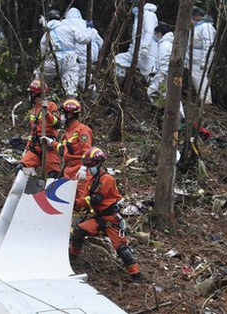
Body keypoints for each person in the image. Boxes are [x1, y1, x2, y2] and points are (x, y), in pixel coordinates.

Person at [69, 147, 142, 282]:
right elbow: (84, 196)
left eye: (90, 165)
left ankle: (136, 274)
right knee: (79, 231)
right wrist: (79, 184)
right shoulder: (91, 178)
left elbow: (96, 199)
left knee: (121, 249)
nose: (89, 168)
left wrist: (76, 204)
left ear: (98, 164)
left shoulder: (106, 179)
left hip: (111, 219)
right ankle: (72, 257)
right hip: (98, 218)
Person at [36, 9, 96, 96]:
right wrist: (90, 29)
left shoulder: (46, 35)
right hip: (70, 59)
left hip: (53, 59)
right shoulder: (68, 28)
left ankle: (35, 101)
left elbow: (43, 53)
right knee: (71, 89)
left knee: (39, 78)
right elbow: (84, 39)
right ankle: (71, 105)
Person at [16, 79, 61, 178]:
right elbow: (33, 132)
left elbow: (57, 124)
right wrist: (27, 148)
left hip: (48, 145)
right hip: (35, 146)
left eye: (31, 93)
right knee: (21, 167)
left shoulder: (51, 106)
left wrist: (47, 113)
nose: (29, 96)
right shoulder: (33, 111)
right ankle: (27, 191)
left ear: (36, 94)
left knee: (54, 175)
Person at [41, 97, 93, 180]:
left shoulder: (83, 130)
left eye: (63, 113)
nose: (61, 116)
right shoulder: (67, 132)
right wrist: (51, 142)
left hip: (79, 171)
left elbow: (87, 151)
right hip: (68, 171)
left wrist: (84, 168)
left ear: (70, 115)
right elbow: (63, 150)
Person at [147, 24, 185, 118]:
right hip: (167, 73)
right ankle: (163, 111)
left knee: (169, 95)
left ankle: (178, 116)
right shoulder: (169, 43)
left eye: (156, 34)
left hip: (166, 74)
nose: (155, 36)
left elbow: (164, 60)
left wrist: (162, 75)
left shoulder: (164, 44)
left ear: (160, 33)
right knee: (153, 91)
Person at [114, 0, 158, 82]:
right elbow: (136, 37)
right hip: (135, 52)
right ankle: (118, 84)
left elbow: (149, 32)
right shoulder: (138, 16)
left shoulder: (149, 15)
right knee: (119, 60)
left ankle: (158, 93)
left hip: (147, 53)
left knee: (150, 77)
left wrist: (145, 47)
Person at [62, 8, 104, 92]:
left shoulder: (63, 24)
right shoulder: (85, 23)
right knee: (85, 74)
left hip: (74, 55)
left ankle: (72, 93)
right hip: (91, 54)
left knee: (72, 74)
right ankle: (91, 93)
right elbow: (100, 41)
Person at [189, 6, 216, 105]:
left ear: (196, 16)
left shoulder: (206, 27)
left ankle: (206, 100)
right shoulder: (196, 26)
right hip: (194, 57)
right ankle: (201, 99)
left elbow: (208, 46)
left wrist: (205, 61)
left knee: (201, 78)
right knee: (196, 78)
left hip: (200, 58)